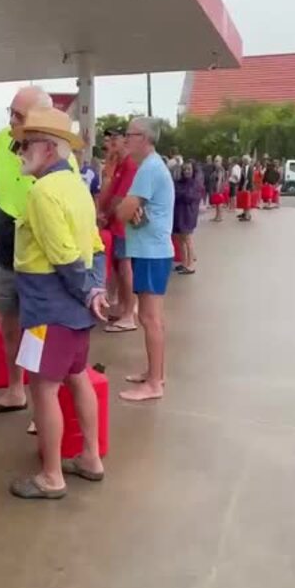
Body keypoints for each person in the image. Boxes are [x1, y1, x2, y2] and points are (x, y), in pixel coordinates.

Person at [9, 107, 107, 499]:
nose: (21, 151)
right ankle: (90, 458)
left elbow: (63, 254)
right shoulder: (76, 187)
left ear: (48, 148)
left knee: (42, 387)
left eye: (27, 143)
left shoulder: (43, 192)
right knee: (76, 375)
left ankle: (51, 476)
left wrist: (87, 290)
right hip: (72, 311)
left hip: (47, 307)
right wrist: (95, 290)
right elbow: (96, 247)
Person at [0, 86, 53, 420]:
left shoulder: (54, 151)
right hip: (6, 251)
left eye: (18, 115)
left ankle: (45, 409)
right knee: (10, 325)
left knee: (40, 334)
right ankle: (15, 390)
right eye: (10, 112)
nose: (11, 120)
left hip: (40, 262)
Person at [117, 117, 174, 402]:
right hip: (150, 250)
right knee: (152, 317)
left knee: (149, 317)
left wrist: (125, 208)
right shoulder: (150, 167)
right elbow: (130, 208)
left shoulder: (149, 168)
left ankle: (154, 383)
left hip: (152, 252)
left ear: (145, 138)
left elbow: (124, 210)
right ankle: (155, 373)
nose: (126, 139)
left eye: (130, 135)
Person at [98, 127, 138, 333]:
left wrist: (105, 215)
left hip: (122, 225)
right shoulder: (118, 164)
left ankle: (129, 313)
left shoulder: (130, 165)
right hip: (114, 224)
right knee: (119, 269)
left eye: (116, 137)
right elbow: (108, 192)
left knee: (125, 268)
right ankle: (124, 308)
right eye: (109, 138)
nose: (111, 142)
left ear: (125, 140)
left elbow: (120, 198)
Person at [173, 161, 202, 274]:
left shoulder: (195, 183)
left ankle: (191, 265)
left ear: (193, 170)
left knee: (187, 239)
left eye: (189, 169)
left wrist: (180, 194)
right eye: (184, 169)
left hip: (188, 214)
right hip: (179, 213)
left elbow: (189, 197)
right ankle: (184, 262)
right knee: (180, 239)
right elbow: (176, 193)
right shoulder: (180, 182)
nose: (186, 171)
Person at [210, 155, 226, 222]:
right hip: (215, 187)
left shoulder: (220, 169)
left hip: (218, 188)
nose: (215, 162)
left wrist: (217, 188)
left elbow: (219, 179)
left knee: (219, 203)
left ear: (220, 162)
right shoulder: (216, 169)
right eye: (215, 161)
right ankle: (217, 216)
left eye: (217, 161)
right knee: (217, 203)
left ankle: (220, 217)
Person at [238, 154, 254, 221]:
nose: (243, 161)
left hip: (247, 186)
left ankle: (247, 216)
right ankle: (245, 213)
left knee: (247, 201)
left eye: (244, 160)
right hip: (245, 185)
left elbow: (248, 178)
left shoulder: (249, 167)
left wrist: (244, 186)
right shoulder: (245, 167)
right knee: (245, 200)